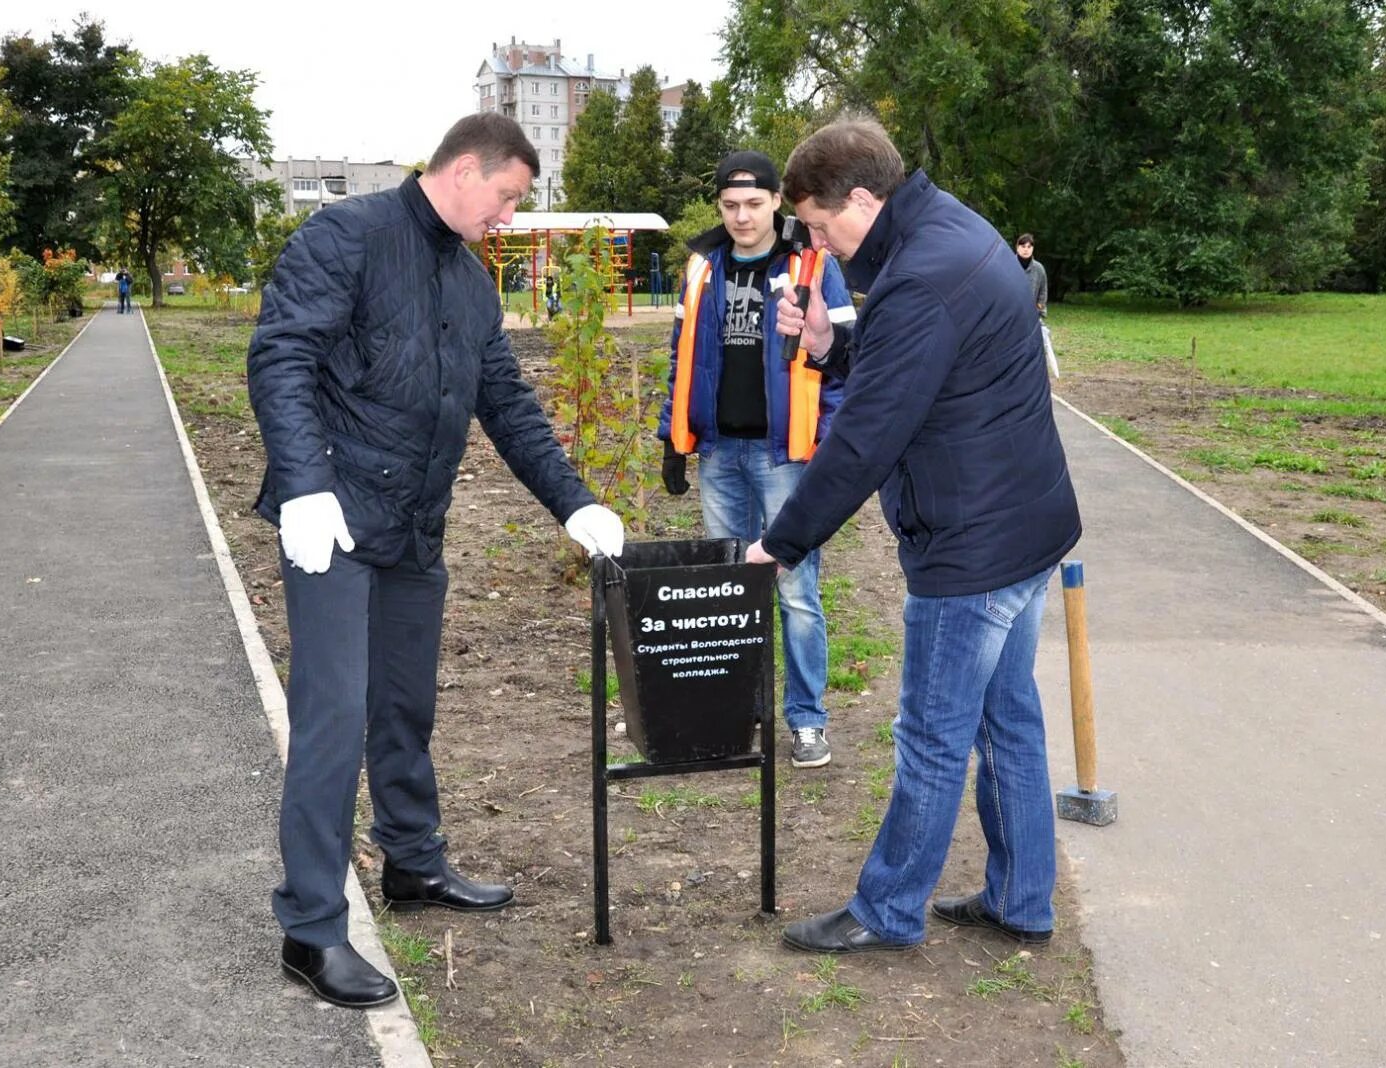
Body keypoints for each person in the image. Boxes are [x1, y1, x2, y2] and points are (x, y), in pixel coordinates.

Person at [246, 113, 625, 1009]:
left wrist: (576, 502)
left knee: (405, 709)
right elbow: (282, 355)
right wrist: (303, 485)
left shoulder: (469, 281)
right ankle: (310, 930)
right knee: (334, 722)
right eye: (505, 198)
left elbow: (509, 404)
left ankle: (413, 864)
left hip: (415, 528)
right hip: (332, 523)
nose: (506, 216)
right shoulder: (348, 235)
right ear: (463, 170)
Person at [746, 118, 1082, 954]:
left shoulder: (919, 276)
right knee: (1009, 723)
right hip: (1024, 528)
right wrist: (833, 344)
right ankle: (1022, 899)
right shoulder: (950, 230)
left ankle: (887, 911)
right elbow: (927, 358)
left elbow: (864, 441)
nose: (817, 247)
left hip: (969, 547)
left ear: (864, 197)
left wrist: (779, 543)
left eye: (823, 228)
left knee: (932, 736)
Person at [659, 149, 853, 769]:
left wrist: (827, 448)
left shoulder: (814, 266)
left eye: (753, 203)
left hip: (785, 458)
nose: (741, 217)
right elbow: (680, 358)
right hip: (719, 454)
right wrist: (674, 438)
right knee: (726, 592)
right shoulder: (701, 269)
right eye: (729, 205)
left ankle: (806, 721)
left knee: (796, 592)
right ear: (719, 207)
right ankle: (733, 713)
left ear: (775, 201)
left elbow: (848, 363)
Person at [1014, 233, 1059, 378]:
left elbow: (1043, 291)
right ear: (1017, 247)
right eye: (1023, 246)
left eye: (1029, 246)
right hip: (1011, 315)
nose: (1026, 249)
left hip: (1032, 315)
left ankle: (1031, 373)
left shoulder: (1039, 269)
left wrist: (1038, 307)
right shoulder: (1009, 264)